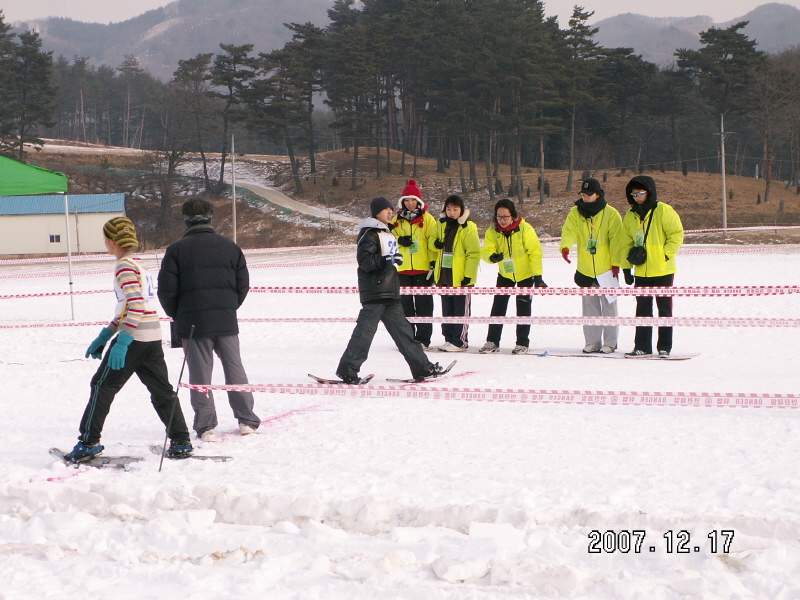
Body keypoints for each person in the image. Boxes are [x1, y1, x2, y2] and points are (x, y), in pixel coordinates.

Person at [66, 217, 193, 462]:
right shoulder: (137, 265)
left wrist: (123, 342)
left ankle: (89, 442)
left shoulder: (124, 267)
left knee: (102, 386)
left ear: (112, 241)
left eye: (106, 239)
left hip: (134, 337)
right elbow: (129, 307)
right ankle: (181, 441)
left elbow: (134, 306)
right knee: (162, 391)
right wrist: (104, 336)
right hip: (152, 336)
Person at [157, 198, 260, 442]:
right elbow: (242, 284)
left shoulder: (176, 250)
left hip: (193, 323)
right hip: (225, 320)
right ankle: (246, 420)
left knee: (200, 376)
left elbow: (166, 290)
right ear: (211, 217)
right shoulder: (230, 247)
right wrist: (229, 306)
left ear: (185, 219)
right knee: (235, 370)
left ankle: (206, 426)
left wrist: (179, 314)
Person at [336, 197, 444, 383]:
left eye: (391, 209)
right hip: (376, 293)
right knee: (364, 335)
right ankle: (348, 370)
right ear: (376, 212)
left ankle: (423, 368)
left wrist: (394, 259)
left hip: (390, 293)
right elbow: (365, 261)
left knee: (405, 335)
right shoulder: (369, 234)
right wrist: (387, 260)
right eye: (386, 209)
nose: (390, 212)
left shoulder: (386, 232)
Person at [618, 175, 684, 358]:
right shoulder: (631, 215)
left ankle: (664, 347)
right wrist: (626, 267)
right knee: (642, 309)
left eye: (640, 193)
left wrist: (665, 254)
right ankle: (642, 346)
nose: (636, 197)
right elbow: (626, 242)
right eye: (633, 194)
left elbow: (676, 235)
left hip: (663, 269)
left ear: (650, 192)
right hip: (641, 270)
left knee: (664, 309)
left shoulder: (663, 210)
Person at [559, 178, 623, 354]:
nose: (585, 198)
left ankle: (610, 342)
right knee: (590, 308)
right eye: (583, 195)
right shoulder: (575, 212)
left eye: (589, 195)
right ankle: (592, 341)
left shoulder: (611, 214)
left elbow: (617, 241)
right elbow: (569, 230)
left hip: (607, 270)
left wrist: (616, 263)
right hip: (586, 269)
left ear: (598, 194)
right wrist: (566, 246)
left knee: (609, 307)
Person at [480, 198, 546, 355]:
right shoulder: (492, 231)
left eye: (505, 217)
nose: (502, 221)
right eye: (499, 217)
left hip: (525, 274)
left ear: (513, 216)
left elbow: (535, 253)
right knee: (498, 306)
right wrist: (492, 257)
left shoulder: (525, 228)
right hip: (505, 274)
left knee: (523, 307)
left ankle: (522, 342)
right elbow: (486, 250)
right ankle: (492, 341)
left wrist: (537, 277)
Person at [428, 194, 481, 352]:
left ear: (461, 210)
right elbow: (431, 241)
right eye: (449, 209)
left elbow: (473, 253)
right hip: (444, 274)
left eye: (455, 209)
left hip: (460, 276)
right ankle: (449, 338)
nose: (451, 212)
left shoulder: (468, 227)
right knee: (447, 309)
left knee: (460, 309)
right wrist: (436, 244)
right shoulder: (440, 224)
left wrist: (468, 275)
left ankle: (460, 341)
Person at [390, 179, 437, 349]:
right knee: (405, 307)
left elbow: (432, 242)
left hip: (422, 269)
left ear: (419, 201)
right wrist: (398, 240)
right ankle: (407, 338)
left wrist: (433, 264)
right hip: (402, 270)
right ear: (402, 202)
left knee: (424, 306)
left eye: (413, 200)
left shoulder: (428, 219)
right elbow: (388, 240)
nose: (410, 203)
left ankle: (423, 339)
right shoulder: (396, 220)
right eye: (407, 200)